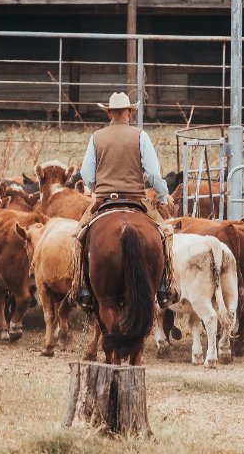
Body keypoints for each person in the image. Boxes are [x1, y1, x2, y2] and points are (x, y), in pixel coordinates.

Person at [74, 91, 176, 305]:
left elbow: (86, 174)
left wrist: (97, 188)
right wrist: (164, 196)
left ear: (109, 113)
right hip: (136, 199)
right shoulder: (141, 136)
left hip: (104, 199)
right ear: (130, 113)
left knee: (79, 236)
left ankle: (83, 286)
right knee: (165, 234)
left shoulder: (96, 137)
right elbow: (154, 174)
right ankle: (164, 285)